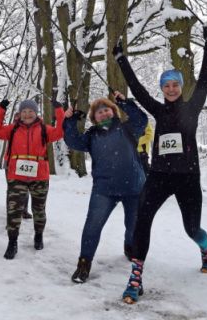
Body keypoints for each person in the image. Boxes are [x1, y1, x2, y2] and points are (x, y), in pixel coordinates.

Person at [114, 26, 207, 304]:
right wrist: (121, 58)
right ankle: (136, 276)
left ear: (181, 87)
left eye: (175, 84)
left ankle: (205, 250)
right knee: (142, 220)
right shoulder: (158, 110)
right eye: (166, 85)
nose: (171, 89)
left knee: (192, 229)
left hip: (187, 177)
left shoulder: (192, 107)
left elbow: (206, 80)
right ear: (161, 89)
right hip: (159, 176)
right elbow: (136, 87)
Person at [63, 92, 147, 283]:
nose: (103, 113)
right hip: (104, 189)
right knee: (93, 226)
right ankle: (84, 263)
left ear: (113, 111)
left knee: (133, 225)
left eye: (106, 109)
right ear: (94, 118)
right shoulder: (91, 136)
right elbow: (72, 141)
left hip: (134, 187)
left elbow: (142, 120)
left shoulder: (128, 128)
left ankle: (129, 246)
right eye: (99, 112)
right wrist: (69, 121)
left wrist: (126, 103)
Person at [0, 98, 65, 259]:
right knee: (14, 210)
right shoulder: (13, 129)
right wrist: (1, 108)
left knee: (39, 209)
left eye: (31, 111)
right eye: (24, 111)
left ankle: (38, 235)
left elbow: (61, 131)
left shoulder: (45, 129)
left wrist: (59, 110)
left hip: (40, 176)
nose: (27, 114)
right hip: (17, 176)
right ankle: (12, 242)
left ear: (36, 112)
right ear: (20, 114)